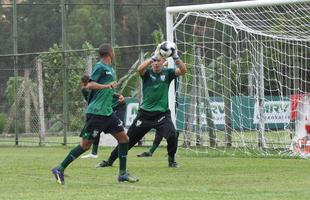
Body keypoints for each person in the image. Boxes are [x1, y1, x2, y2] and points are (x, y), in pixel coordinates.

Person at [51, 44, 138, 185]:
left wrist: (117, 96)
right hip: (96, 114)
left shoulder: (110, 70)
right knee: (85, 146)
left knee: (124, 139)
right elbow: (90, 85)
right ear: (110, 53)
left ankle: (122, 174)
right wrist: (106, 86)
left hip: (108, 113)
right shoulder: (100, 66)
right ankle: (59, 169)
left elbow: (105, 91)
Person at [97, 41, 186, 168]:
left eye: (158, 61)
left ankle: (172, 161)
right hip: (144, 115)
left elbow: (183, 71)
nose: (156, 63)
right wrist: (152, 58)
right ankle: (110, 161)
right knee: (127, 140)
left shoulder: (168, 73)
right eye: (154, 61)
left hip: (162, 115)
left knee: (172, 134)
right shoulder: (147, 73)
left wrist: (176, 57)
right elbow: (139, 69)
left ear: (164, 62)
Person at [80, 75, 127, 159]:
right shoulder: (84, 90)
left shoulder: (98, 86)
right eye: (84, 84)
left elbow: (111, 93)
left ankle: (119, 153)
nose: (85, 85)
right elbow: (89, 101)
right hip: (103, 110)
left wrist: (119, 96)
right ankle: (94, 153)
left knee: (120, 133)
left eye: (86, 83)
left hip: (116, 106)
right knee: (96, 129)